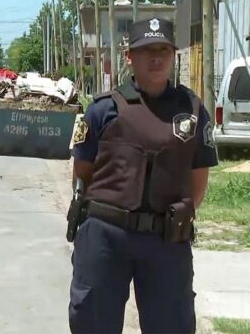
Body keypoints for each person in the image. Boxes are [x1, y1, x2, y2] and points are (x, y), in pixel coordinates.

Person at [68, 18, 218, 334]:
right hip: (106, 236)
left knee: (172, 326)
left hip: (166, 240)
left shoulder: (191, 110)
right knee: (92, 323)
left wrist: (176, 218)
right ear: (129, 56)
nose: (156, 58)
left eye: (163, 50)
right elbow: (82, 174)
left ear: (173, 55)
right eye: (146, 50)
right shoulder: (101, 109)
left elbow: (198, 181)